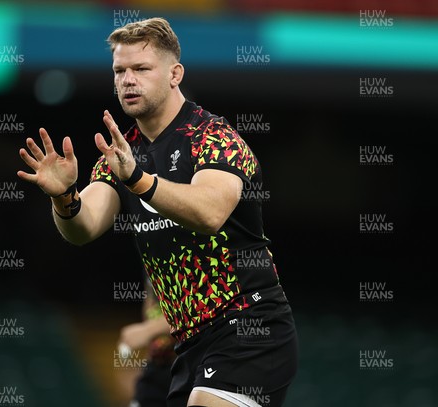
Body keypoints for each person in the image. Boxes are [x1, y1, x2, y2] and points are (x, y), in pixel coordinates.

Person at [17, 17, 298, 407]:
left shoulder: (214, 138)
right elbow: (84, 227)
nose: (127, 80)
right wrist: (64, 195)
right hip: (185, 345)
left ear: (174, 74)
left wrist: (138, 179)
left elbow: (210, 212)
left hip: (250, 327)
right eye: (120, 71)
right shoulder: (120, 154)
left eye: (141, 69)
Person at [117, 278, 176, 407]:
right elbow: (150, 306)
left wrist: (148, 330)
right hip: (157, 370)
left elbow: (202, 309)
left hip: (190, 367)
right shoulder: (148, 262)